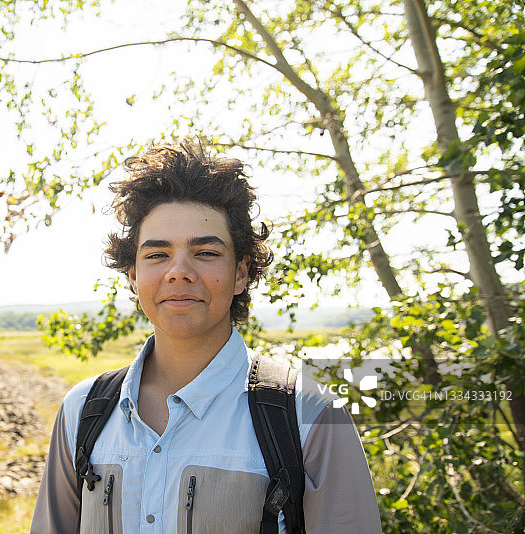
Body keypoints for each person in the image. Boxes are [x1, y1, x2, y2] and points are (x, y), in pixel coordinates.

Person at [31, 140, 382, 533]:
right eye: (156, 255)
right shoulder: (83, 412)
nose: (178, 272)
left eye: (206, 253)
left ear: (241, 273)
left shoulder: (307, 414)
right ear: (132, 275)